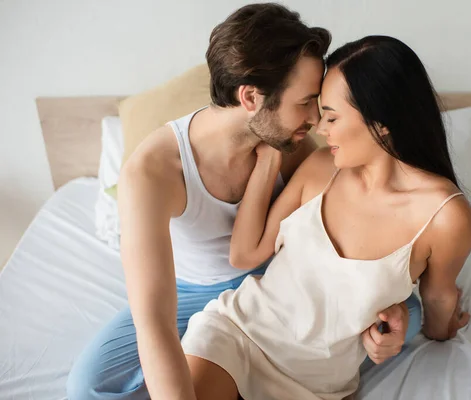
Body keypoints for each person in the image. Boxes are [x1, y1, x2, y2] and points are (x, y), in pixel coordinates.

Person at [66, 5, 419, 400]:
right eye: (305, 102)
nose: (316, 118)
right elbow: (155, 320)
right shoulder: (153, 171)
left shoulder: (295, 142)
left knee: (410, 315)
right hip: (191, 292)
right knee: (88, 387)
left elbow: (354, 223)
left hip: (276, 278)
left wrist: (394, 306)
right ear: (251, 97)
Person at [181, 35, 471, 400]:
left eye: (332, 117)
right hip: (239, 332)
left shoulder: (446, 217)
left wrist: (438, 331)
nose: (321, 129)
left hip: (318, 381)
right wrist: (273, 153)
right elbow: (244, 255)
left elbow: (437, 297)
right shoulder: (322, 167)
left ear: (381, 122)